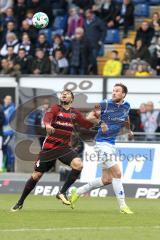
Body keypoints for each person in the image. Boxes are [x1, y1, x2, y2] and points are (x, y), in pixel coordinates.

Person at [11, 89, 97, 211]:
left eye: (67, 94)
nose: (64, 94)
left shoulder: (75, 113)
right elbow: (48, 117)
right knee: (36, 175)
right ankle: (20, 202)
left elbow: (86, 124)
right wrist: (47, 124)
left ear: (71, 98)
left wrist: (94, 119)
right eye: (63, 93)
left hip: (64, 148)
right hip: (49, 148)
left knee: (78, 165)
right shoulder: (55, 108)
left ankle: (62, 192)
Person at [70, 83, 134, 214]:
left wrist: (128, 130)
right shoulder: (104, 104)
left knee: (107, 180)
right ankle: (123, 206)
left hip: (111, 144)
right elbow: (89, 117)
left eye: (117, 91)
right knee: (117, 174)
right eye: (113, 90)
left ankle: (78, 191)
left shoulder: (127, 106)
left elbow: (126, 117)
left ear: (123, 94)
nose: (114, 93)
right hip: (101, 143)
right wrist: (101, 123)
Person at [2, 95, 15, 172]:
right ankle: (6, 165)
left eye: (10, 99)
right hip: (2, 132)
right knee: (5, 148)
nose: (8, 100)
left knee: (5, 146)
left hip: (9, 132)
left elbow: (7, 120)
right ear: (4, 99)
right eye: (7, 99)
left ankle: (9, 166)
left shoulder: (12, 109)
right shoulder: (3, 107)